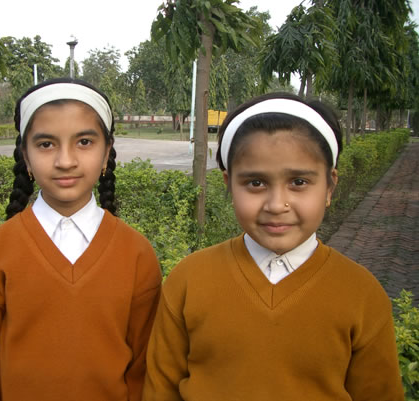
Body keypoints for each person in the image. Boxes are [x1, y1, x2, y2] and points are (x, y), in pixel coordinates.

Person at [142, 93, 404, 401]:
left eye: (299, 182)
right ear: (228, 184)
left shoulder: (362, 294)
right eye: (255, 183)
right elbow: (160, 389)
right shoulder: (189, 280)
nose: (277, 205)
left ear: (330, 186)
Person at [0, 78, 162, 401]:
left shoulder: (137, 254)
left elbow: (143, 369)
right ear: (25, 155)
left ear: (107, 153)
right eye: (46, 144)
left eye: (83, 142)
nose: (65, 160)